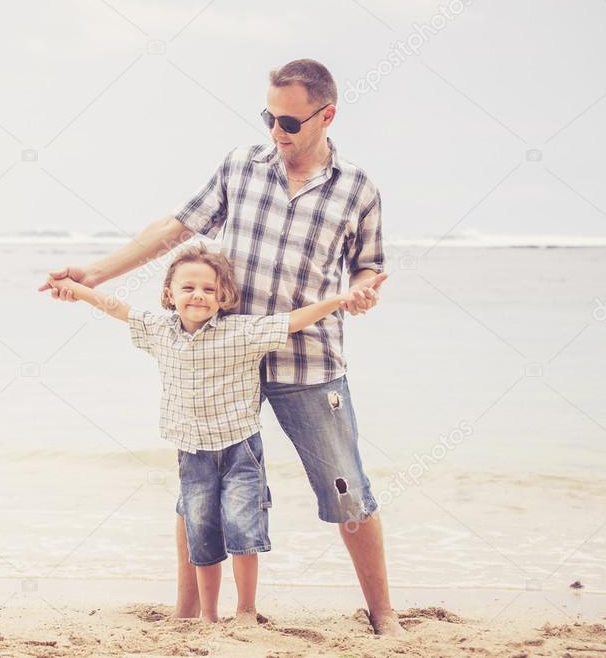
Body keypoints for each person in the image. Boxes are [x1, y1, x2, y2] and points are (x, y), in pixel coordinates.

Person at [39, 58, 404, 635]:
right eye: (269, 118)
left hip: (308, 357)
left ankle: (383, 614)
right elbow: (175, 228)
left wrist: (361, 295)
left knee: (346, 486)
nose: (276, 133)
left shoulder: (357, 188)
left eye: (289, 122)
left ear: (326, 116)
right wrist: (95, 274)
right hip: (220, 354)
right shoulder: (241, 166)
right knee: (199, 485)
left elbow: (368, 268)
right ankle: (188, 613)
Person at [44, 243, 386, 623]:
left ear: (224, 297)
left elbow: (292, 321)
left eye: (209, 289)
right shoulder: (159, 330)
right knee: (201, 535)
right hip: (192, 454)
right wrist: (78, 290)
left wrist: (341, 299)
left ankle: (245, 611)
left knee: (244, 531)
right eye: (188, 288)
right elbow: (116, 308)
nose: (198, 296)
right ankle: (207, 616)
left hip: (241, 450)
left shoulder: (241, 331)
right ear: (169, 294)